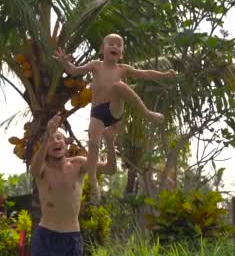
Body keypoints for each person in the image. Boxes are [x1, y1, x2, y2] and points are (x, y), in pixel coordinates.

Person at [53, 33, 176, 202]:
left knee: (118, 86)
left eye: (119, 45)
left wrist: (163, 75)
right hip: (97, 113)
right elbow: (75, 71)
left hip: (114, 109)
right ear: (102, 50)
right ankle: (94, 181)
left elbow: (145, 73)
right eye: (111, 44)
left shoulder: (122, 69)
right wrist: (65, 62)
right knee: (93, 142)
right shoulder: (96, 65)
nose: (115, 47)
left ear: (122, 53)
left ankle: (147, 113)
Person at [30, 113, 117, 256]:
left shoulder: (79, 165)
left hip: (71, 240)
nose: (55, 141)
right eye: (51, 139)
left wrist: (110, 141)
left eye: (59, 138)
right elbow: (34, 168)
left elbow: (110, 169)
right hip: (46, 237)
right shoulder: (42, 169)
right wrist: (47, 135)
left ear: (66, 144)